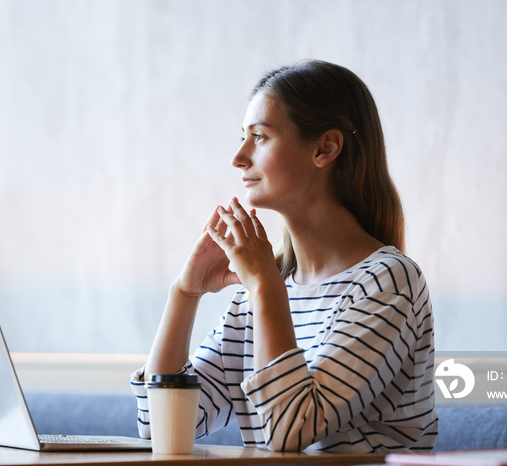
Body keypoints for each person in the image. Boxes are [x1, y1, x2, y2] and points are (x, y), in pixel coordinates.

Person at [131, 60, 437, 453]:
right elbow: (159, 426)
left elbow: (290, 431)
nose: (239, 157)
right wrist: (184, 293)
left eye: (259, 136)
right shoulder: (260, 291)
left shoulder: (387, 282)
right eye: (243, 136)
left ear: (325, 148)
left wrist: (265, 287)